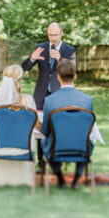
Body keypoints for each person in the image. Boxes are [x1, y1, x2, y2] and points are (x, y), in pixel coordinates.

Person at [40, 58, 93, 189]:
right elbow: (88, 129)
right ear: (75, 76)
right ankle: (76, 179)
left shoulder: (50, 100)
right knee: (89, 139)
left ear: (58, 77)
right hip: (81, 149)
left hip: (56, 149)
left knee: (43, 141)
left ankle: (60, 177)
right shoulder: (87, 100)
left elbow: (45, 131)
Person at [22, 22, 76, 112]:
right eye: (50, 35)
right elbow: (24, 68)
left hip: (59, 94)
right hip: (40, 95)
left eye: (55, 35)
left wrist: (60, 59)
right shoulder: (40, 47)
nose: (53, 38)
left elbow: (71, 72)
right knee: (39, 124)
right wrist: (31, 58)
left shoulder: (69, 50)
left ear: (61, 33)